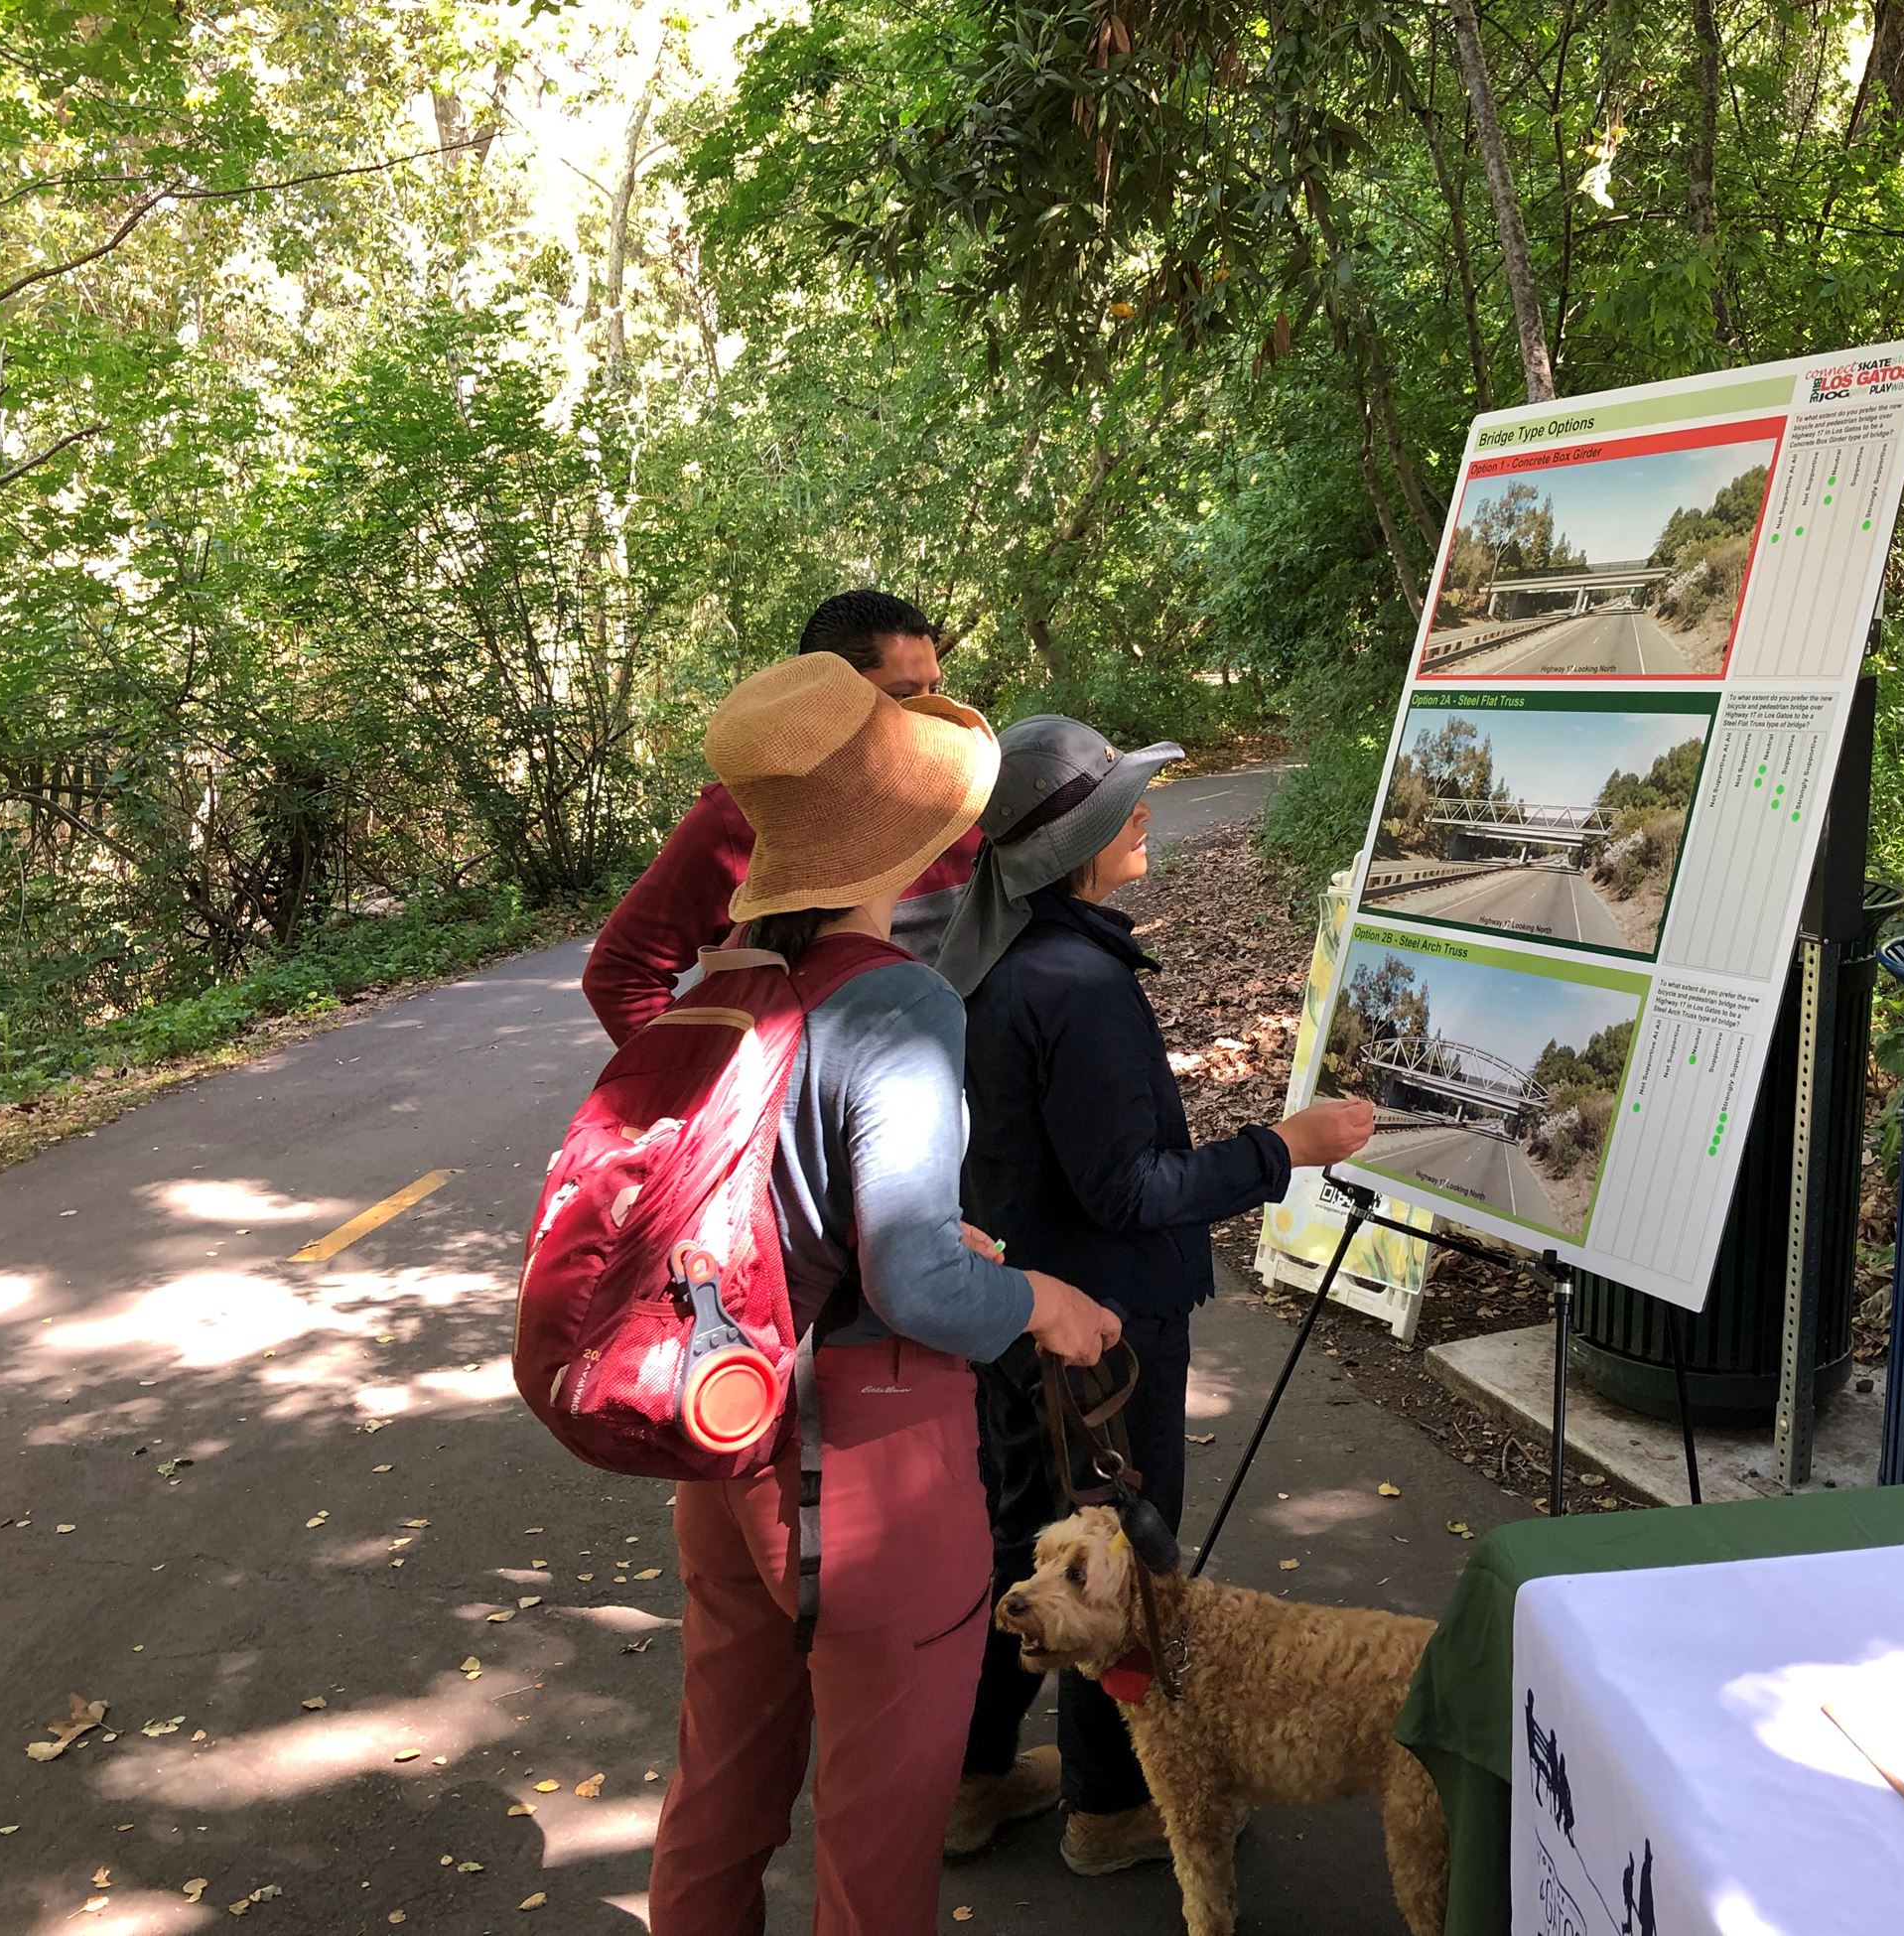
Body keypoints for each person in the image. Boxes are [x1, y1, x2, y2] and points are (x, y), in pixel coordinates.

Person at [648, 659, 1125, 1936]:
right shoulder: (898, 1000)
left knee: (721, 1779)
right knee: (877, 1828)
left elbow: (775, 1198)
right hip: (860, 1459)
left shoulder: (729, 983)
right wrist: (1037, 1298)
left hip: (724, 1418)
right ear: (903, 837)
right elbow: (913, 1281)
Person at [936, 715, 1374, 1874]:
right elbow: (1130, 1190)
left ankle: (970, 1781)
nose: (1142, 814)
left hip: (1017, 1312)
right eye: (1116, 805)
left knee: (1022, 1547)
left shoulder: (998, 957)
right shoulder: (1075, 981)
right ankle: (1110, 1807)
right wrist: (1286, 1147)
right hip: (1100, 1332)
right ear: (1066, 842)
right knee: (1112, 1555)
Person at [585, 589, 978, 1044]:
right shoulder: (742, 817)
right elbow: (621, 972)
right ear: (825, 703)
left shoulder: (966, 787)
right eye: (903, 695)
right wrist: (709, 1074)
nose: (932, 714)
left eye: (935, 689)